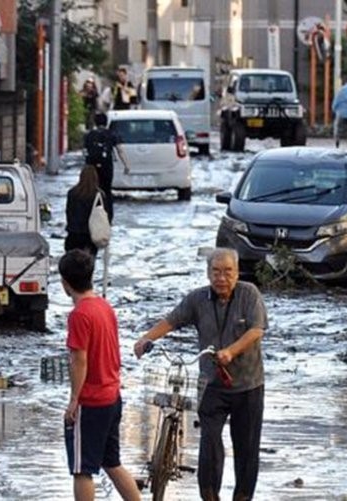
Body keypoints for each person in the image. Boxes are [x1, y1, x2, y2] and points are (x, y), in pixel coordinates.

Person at [133, 248, 268, 501]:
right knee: (209, 442)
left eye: (228, 272)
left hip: (248, 384)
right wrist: (146, 339)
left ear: (237, 273)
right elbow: (172, 320)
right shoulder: (198, 300)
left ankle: (242, 497)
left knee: (247, 449)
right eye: (216, 271)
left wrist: (231, 351)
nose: (221, 278)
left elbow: (256, 330)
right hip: (211, 384)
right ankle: (209, 495)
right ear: (208, 273)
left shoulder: (249, 295)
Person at [60, 249, 141, 501]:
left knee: (82, 470)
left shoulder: (79, 315)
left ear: (64, 283)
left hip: (92, 401)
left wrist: (74, 400)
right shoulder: (104, 307)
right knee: (111, 462)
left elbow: (79, 360)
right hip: (112, 396)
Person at [83, 112, 130, 222]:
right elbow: (120, 150)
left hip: (91, 167)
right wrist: (126, 165)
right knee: (107, 191)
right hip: (106, 166)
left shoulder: (89, 135)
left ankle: (91, 215)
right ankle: (108, 216)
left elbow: (84, 152)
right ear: (106, 122)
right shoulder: (111, 134)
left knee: (91, 190)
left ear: (95, 122)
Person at [65, 165, 104, 256]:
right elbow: (105, 216)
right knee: (87, 265)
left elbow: (68, 213)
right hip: (90, 237)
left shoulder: (72, 193)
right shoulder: (99, 195)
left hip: (73, 235)